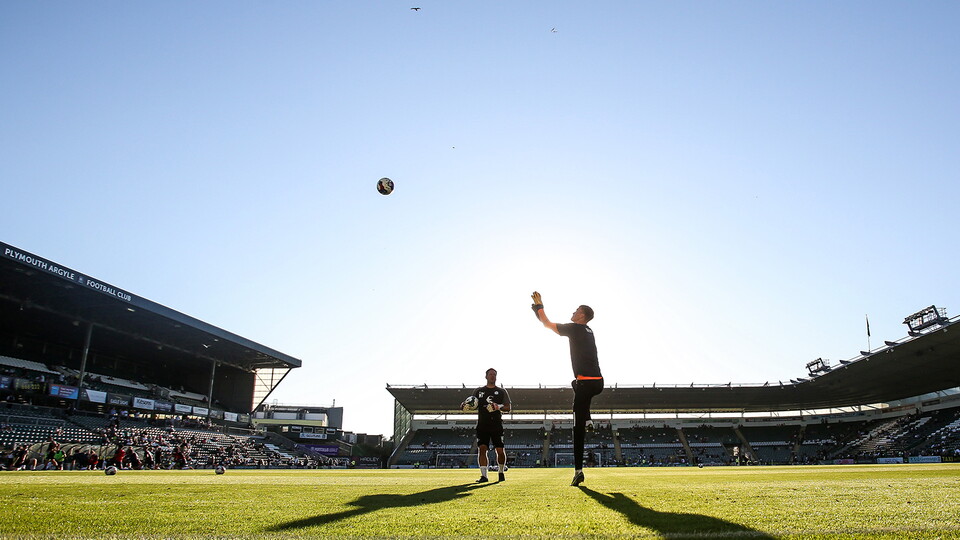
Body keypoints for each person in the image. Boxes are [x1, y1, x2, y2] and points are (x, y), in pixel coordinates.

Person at [531, 291, 603, 486]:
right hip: (596, 383)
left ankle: (578, 471)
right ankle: (587, 418)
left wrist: (538, 307)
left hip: (586, 383)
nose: (573, 312)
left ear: (582, 315)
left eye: (576, 310)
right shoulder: (589, 330)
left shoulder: (575, 328)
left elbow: (547, 324)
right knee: (575, 385)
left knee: (576, 429)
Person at [461, 368, 511, 483]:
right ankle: (484, 476)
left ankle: (501, 472)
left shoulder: (502, 391)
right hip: (482, 425)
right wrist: (464, 406)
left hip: (496, 425)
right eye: (490, 374)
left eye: (494, 374)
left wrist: (498, 407)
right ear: (486, 376)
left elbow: (508, 408)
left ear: (496, 377)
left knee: (500, 450)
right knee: (482, 449)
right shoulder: (478, 391)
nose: (492, 376)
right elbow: (471, 403)